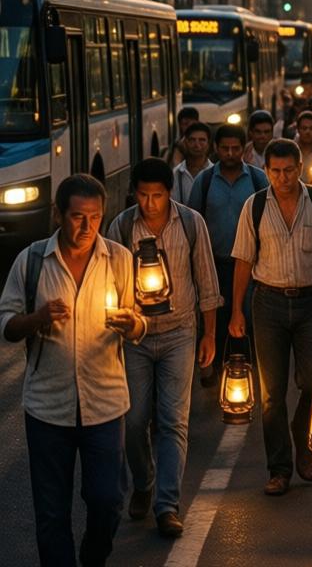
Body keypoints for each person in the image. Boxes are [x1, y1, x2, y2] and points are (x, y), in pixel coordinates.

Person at [0, 174, 145, 567]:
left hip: (105, 404)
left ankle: (93, 556)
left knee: (107, 499)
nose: (86, 227)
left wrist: (130, 324)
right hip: (47, 408)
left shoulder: (119, 259)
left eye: (95, 217)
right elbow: (8, 325)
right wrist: (38, 319)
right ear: (58, 215)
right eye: (77, 217)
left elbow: (139, 322)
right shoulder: (31, 261)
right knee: (51, 513)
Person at [106, 158, 221, 538]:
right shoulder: (121, 227)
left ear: (169, 193)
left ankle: (167, 505)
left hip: (179, 333)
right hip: (135, 337)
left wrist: (209, 335)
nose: (150, 203)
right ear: (134, 193)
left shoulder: (190, 223)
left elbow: (206, 279)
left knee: (174, 421)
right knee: (135, 420)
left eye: (157, 195)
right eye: (143, 195)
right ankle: (144, 481)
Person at [230, 139, 312, 495]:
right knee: (271, 393)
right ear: (266, 172)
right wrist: (236, 312)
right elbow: (244, 260)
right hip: (269, 303)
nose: (283, 177)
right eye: (275, 171)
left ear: (301, 168)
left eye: (289, 170)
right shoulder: (255, 206)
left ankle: (303, 440)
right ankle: (279, 468)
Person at [186, 125, 268, 379]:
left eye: (235, 148)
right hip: (215, 265)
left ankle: (248, 371)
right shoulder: (206, 180)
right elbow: (193, 222)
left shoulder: (257, 179)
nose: (230, 153)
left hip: (251, 265)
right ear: (216, 148)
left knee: (247, 317)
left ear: (244, 148)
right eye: (225, 148)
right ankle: (216, 367)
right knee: (217, 319)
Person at [172, 121, 213, 205]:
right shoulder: (176, 173)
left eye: (202, 140)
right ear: (185, 142)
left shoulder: (215, 173)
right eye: (192, 140)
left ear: (208, 143)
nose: (197, 145)